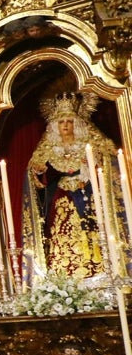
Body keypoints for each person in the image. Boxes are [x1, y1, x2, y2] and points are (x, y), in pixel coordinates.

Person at [26, 92, 115, 279]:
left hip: (87, 191)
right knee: (62, 227)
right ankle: (66, 271)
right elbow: (34, 170)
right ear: (55, 126)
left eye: (69, 121)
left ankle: (99, 268)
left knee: (92, 227)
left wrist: (93, 163)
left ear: (76, 123)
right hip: (62, 195)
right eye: (61, 122)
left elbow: (109, 157)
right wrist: (38, 171)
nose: (65, 125)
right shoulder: (49, 145)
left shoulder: (89, 141)